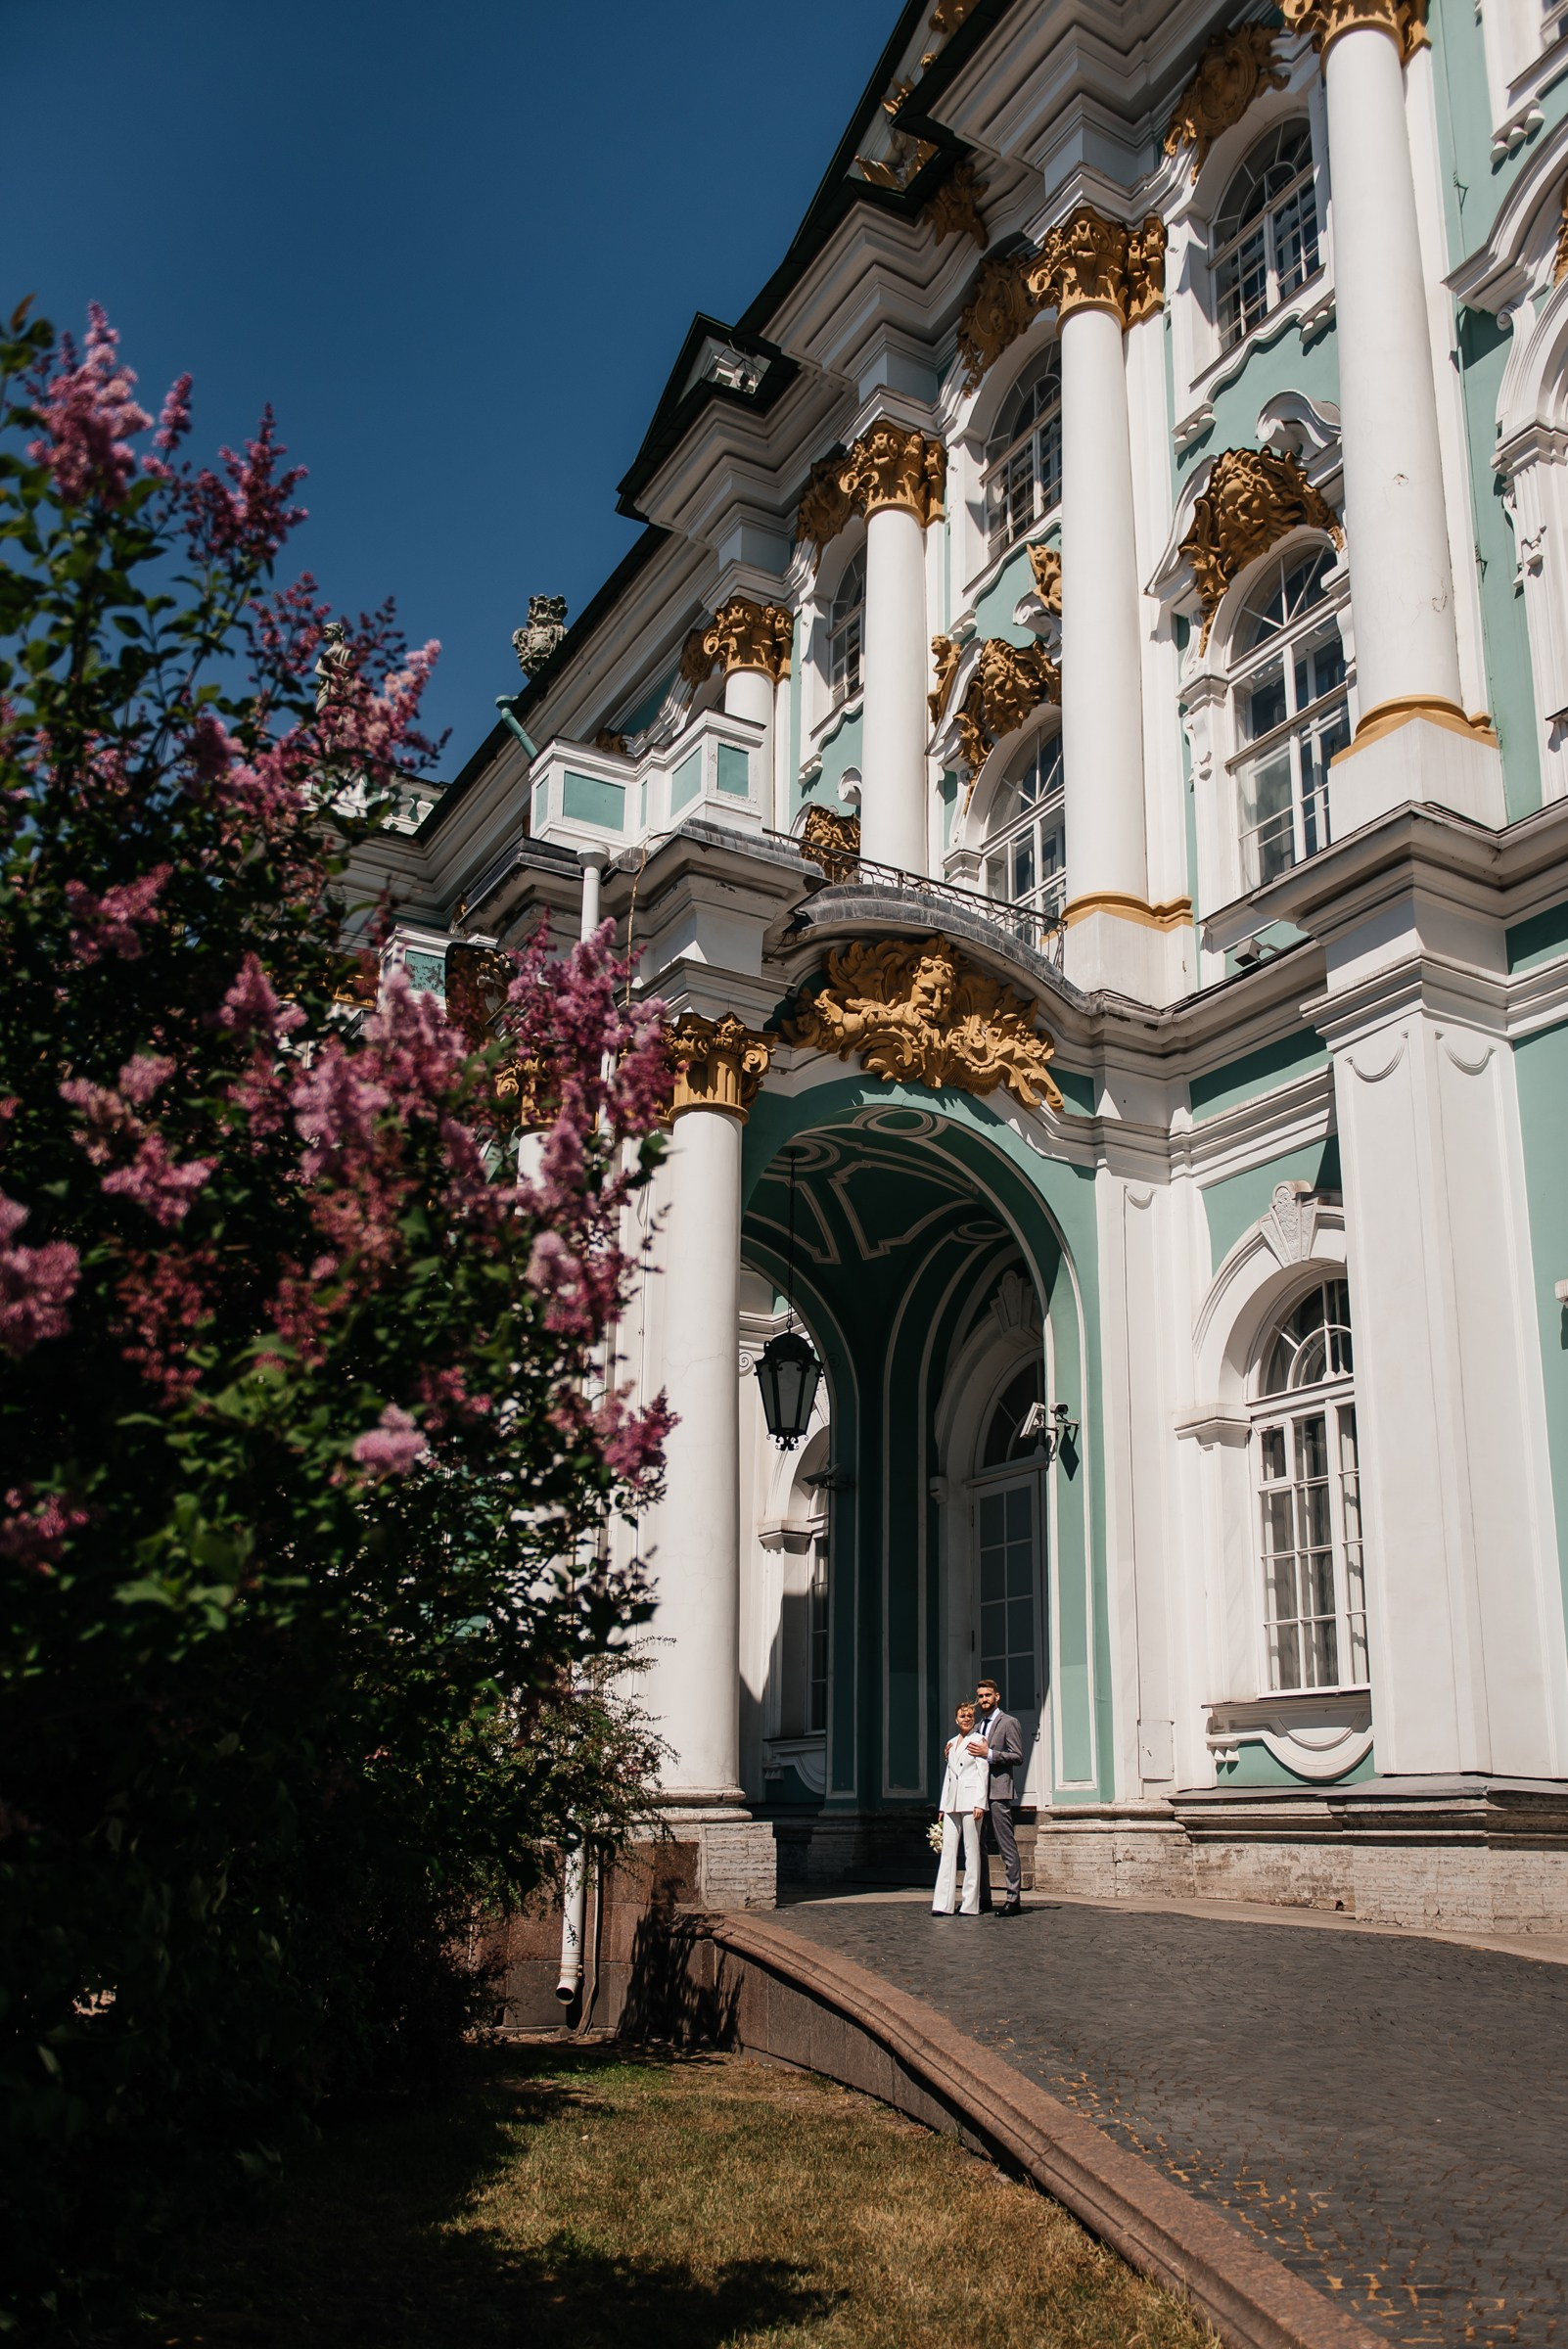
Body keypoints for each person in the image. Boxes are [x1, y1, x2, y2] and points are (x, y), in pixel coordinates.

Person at [971, 1677, 1025, 1916]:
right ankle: (984, 1898)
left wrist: (989, 1753)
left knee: (1006, 1845)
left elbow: (1017, 1756)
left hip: (999, 1792)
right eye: (980, 1696)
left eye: (987, 1696)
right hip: (977, 1795)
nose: (983, 1700)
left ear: (997, 1697)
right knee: (978, 1846)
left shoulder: (1008, 1722)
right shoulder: (976, 1726)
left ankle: (1013, 1899)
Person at [932, 1700, 989, 1916]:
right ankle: (942, 1903)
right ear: (956, 1719)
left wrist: (979, 1804)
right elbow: (949, 1776)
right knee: (948, 1852)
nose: (966, 1719)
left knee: (971, 1852)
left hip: (971, 1801)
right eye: (962, 1716)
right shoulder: (951, 1743)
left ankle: (969, 1904)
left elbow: (983, 1772)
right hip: (952, 1803)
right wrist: (943, 1806)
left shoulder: (979, 1740)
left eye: (969, 1716)